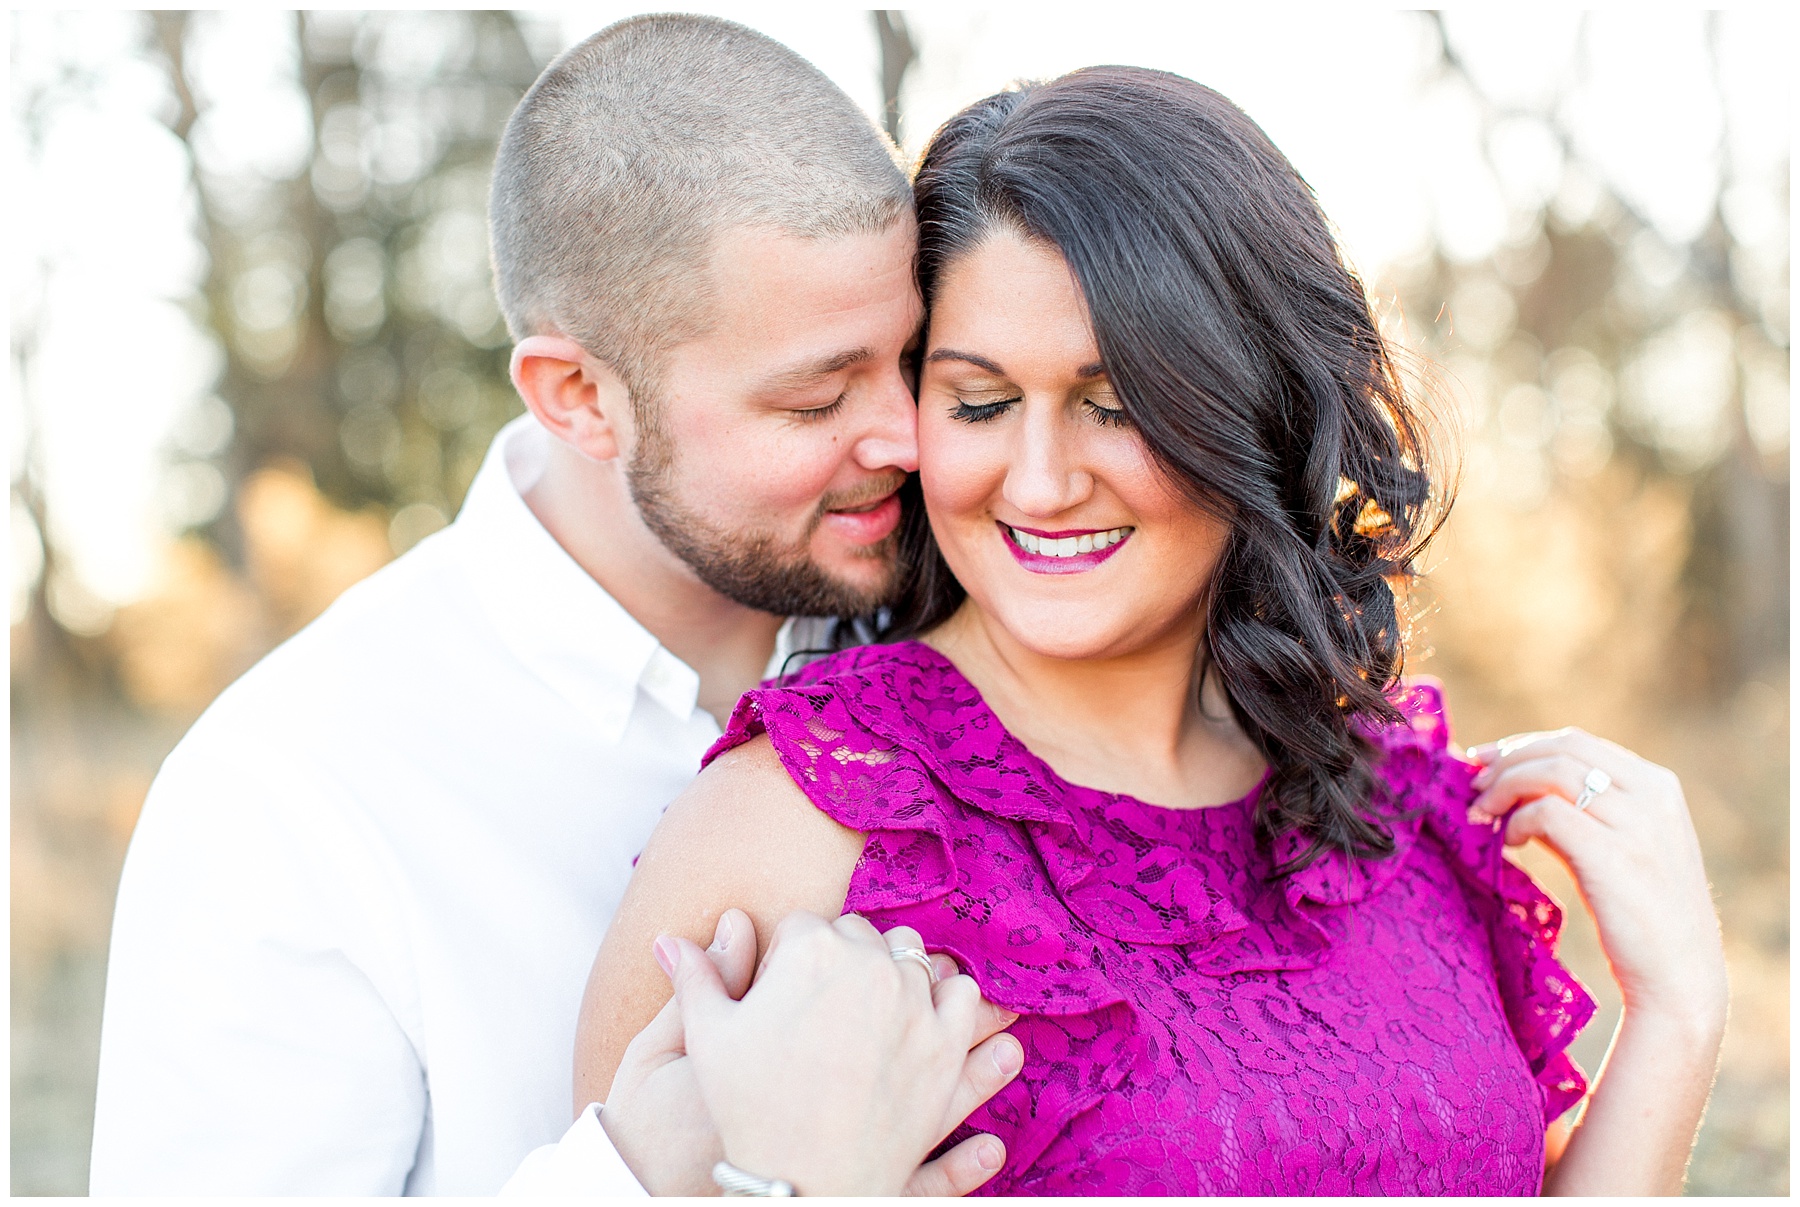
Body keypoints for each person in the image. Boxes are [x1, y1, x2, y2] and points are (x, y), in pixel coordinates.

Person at [576, 66, 1730, 1195]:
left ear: (1253, 405)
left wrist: (1674, 1018)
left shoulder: (1394, 805)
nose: (1037, 482)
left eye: (1115, 404)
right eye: (979, 402)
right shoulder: (799, 824)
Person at [91, 15, 1015, 1195]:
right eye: (815, 398)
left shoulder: (964, 613)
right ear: (578, 395)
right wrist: (643, 1177)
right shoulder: (291, 795)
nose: (902, 435)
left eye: (912, 361)